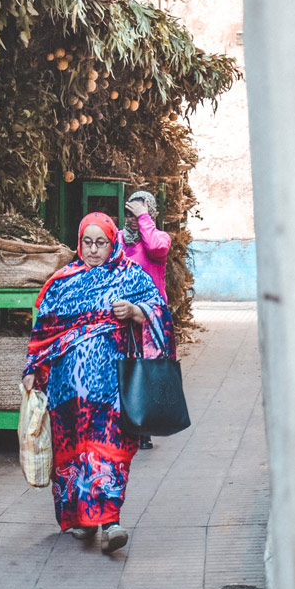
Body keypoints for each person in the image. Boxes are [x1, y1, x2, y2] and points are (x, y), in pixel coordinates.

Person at [22, 211, 175, 555]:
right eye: (87, 242)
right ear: (79, 243)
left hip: (112, 388)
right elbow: (42, 331)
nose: (93, 250)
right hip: (66, 392)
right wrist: (32, 367)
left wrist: (136, 312)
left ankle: (110, 522)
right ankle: (80, 519)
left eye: (101, 243)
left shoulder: (130, 276)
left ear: (112, 243)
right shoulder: (61, 281)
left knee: (109, 451)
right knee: (72, 454)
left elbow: (161, 312)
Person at [120, 191, 172, 449]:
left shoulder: (159, 238)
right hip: (121, 314)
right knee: (125, 367)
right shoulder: (119, 240)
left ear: (150, 214)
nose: (131, 219)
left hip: (150, 316)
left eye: (137, 213)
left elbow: (156, 248)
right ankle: (127, 424)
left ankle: (145, 429)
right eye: (128, 213)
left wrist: (143, 219)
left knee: (147, 369)